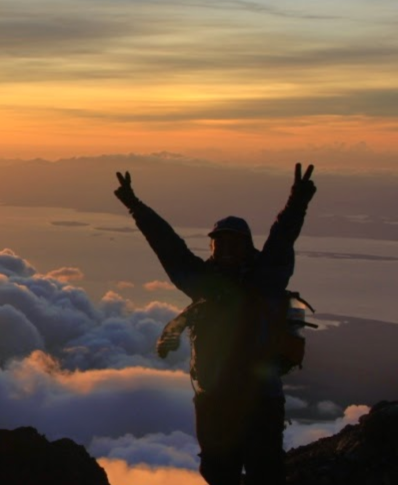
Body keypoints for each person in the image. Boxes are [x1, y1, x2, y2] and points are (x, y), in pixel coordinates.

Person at [113, 163, 317, 485]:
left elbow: (282, 236)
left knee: (262, 473)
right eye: (219, 243)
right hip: (220, 399)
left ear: (246, 246)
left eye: (232, 243)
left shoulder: (264, 278)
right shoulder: (209, 283)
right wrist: (136, 207)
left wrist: (298, 200)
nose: (224, 249)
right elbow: (168, 246)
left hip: (254, 400)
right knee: (221, 474)